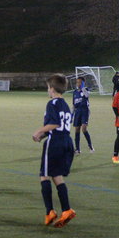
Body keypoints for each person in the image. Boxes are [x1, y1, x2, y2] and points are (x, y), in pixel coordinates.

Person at [32, 75, 76, 228]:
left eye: (47, 88)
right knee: (57, 176)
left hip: (55, 143)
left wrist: (38, 132)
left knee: (44, 176)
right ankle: (66, 210)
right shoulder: (65, 105)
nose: (47, 90)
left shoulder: (52, 103)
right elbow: (61, 126)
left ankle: (49, 211)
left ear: (51, 89)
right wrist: (43, 135)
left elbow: (55, 124)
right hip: (67, 142)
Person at [72, 76, 94, 154]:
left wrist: (83, 88)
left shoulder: (85, 90)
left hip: (84, 111)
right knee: (77, 129)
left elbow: (87, 95)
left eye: (80, 82)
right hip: (77, 112)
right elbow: (74, 104)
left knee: (84, 129)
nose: (78, 84)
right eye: (77, 82)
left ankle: (90, 146)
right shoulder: (75, 92)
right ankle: (77, 149)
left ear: (83, 83)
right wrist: (71, 114)